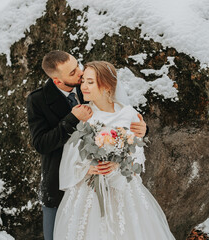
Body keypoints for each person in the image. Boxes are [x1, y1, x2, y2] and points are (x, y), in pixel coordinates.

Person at [26, 51, 148, 240]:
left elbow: (117, 118)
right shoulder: (38, 100)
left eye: (78, 66)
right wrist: (72, 119)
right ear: (58, 81)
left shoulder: (90, 85)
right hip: (61, 182)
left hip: (112, 185)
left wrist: (140, 130)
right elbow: (41, 144)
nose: (81, 74)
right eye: (73, 72)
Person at [53, 61, 175, 239]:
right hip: (90, 191)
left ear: (107, 85)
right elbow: (70, 156)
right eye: (83, 81)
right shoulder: (84, 115)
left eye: (90, 82)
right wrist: (88, 168)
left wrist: (119, 164)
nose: (84, 87)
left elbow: (138, 154)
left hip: (123, 190)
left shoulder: (128, 114)